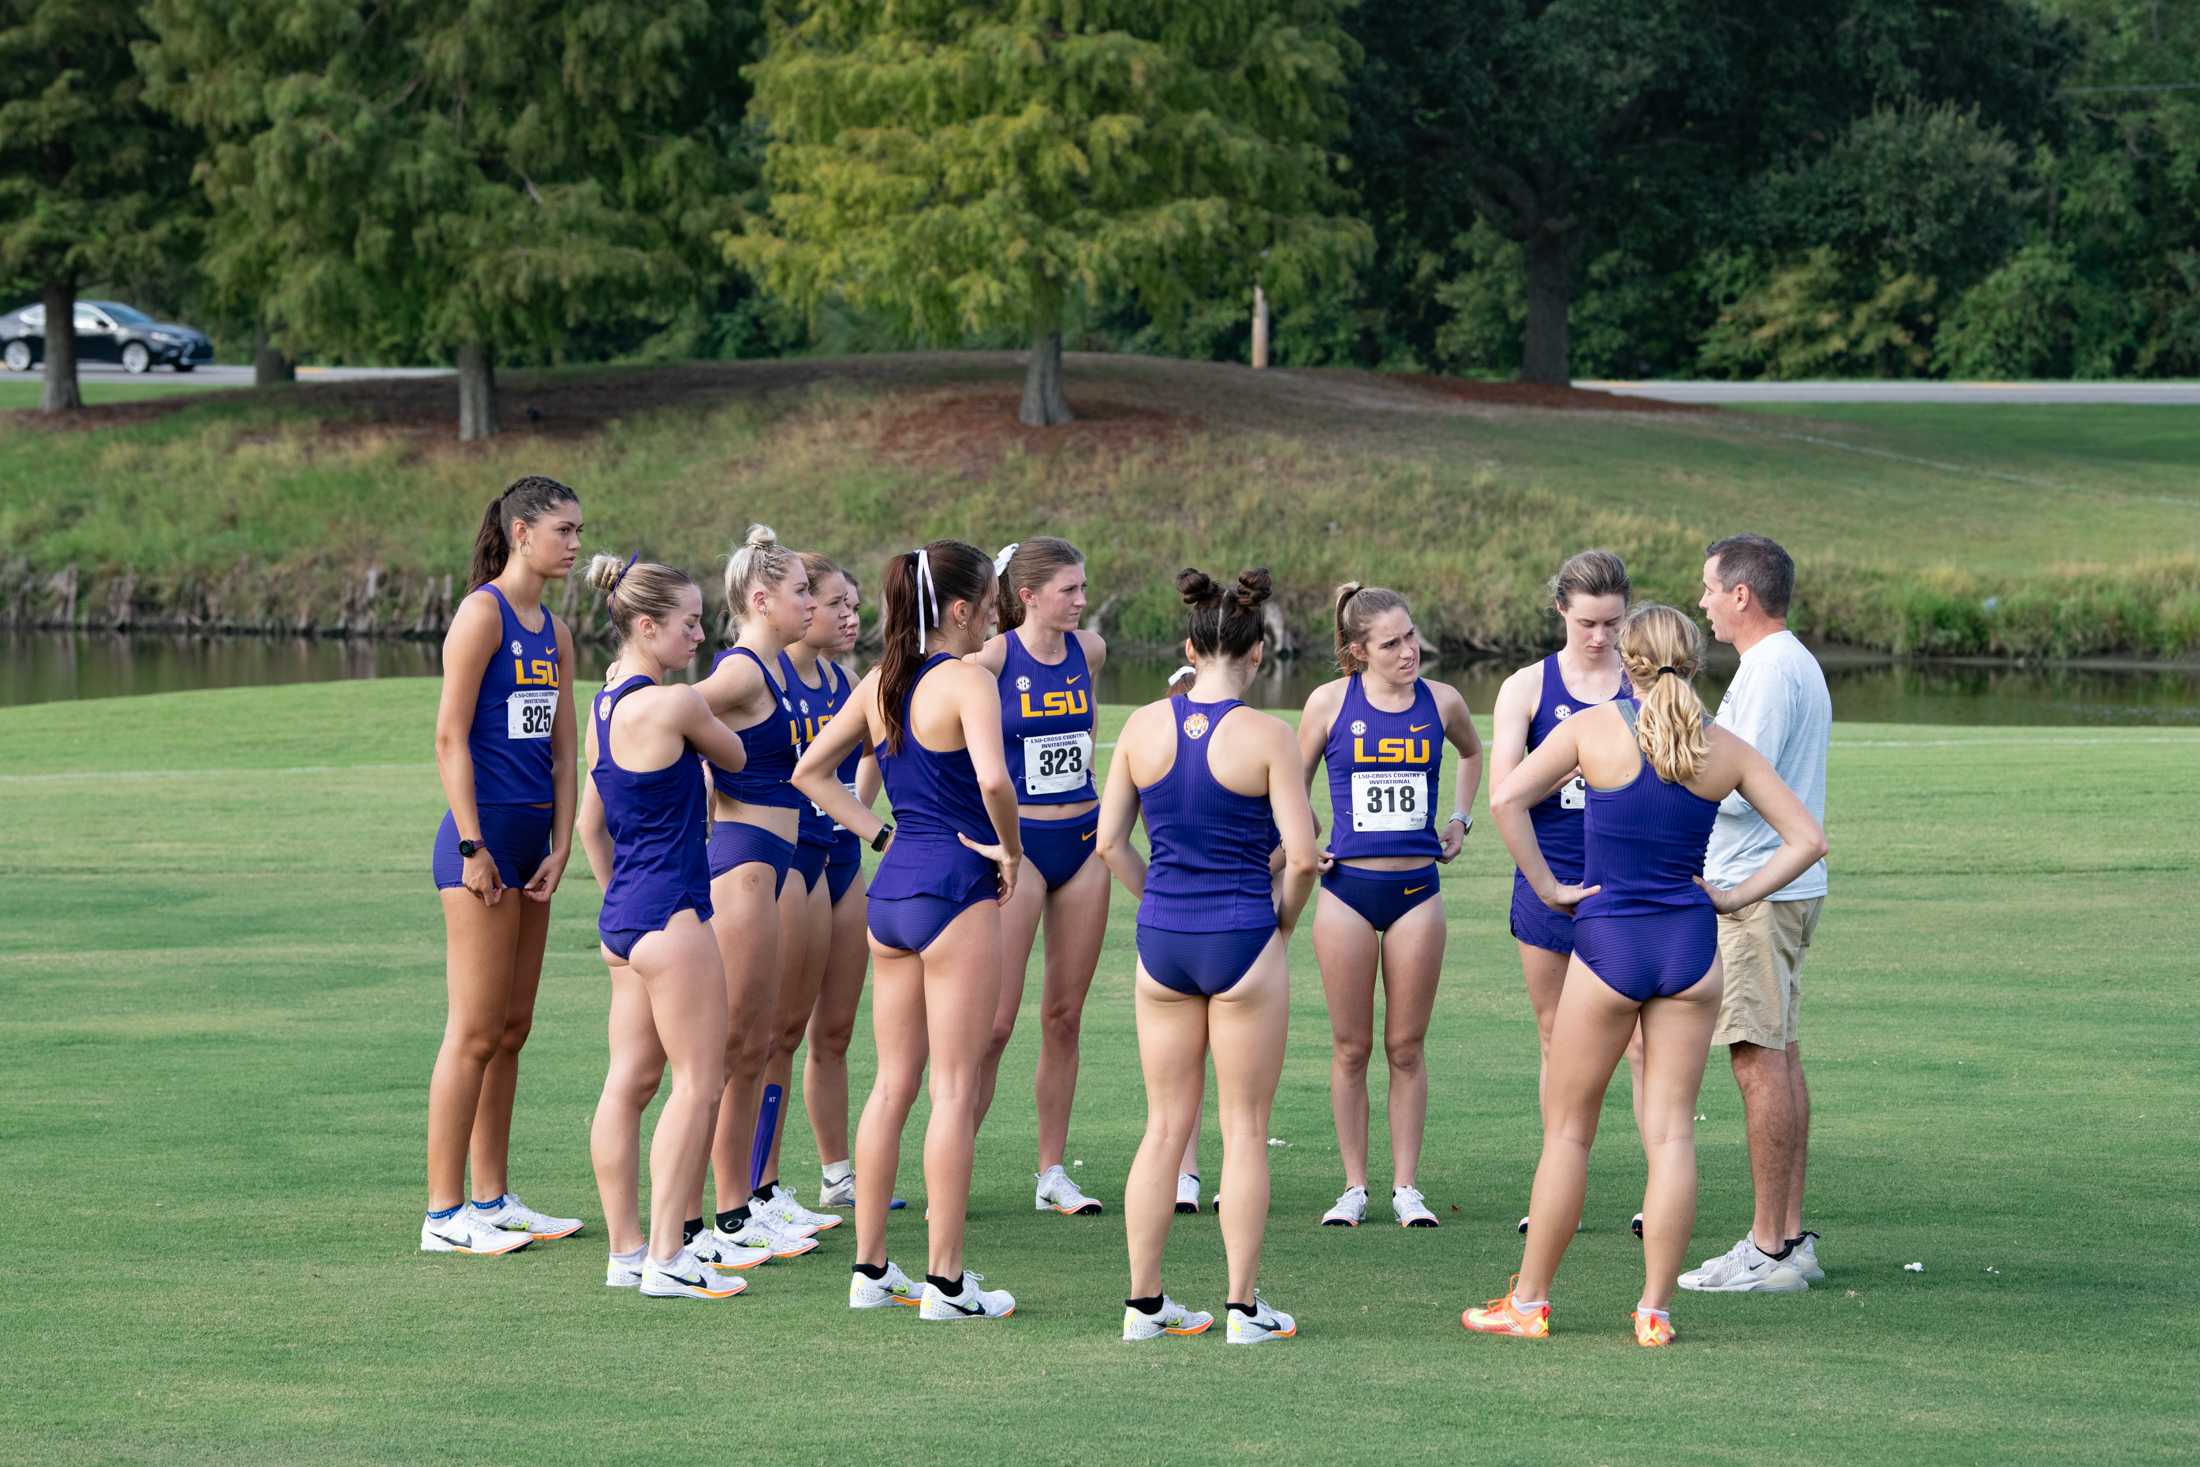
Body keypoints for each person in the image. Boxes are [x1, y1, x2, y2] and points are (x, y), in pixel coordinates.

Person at [1463, 605, 1826, 1346]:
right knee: (1670, 1138)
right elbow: (1808, 839)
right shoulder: (1723, 747)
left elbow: (1505, 797)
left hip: (1607, 948)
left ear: (1626, 661)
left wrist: (1548, 885)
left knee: (1568, 1133)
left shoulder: (1594, 728)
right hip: (1691, 951)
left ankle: (1528, 1302)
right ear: (1692, 662)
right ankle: (1654, 1311)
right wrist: (1731, 895)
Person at [793, 540, 1023, 1320]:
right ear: (959, 608)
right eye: (990, 599)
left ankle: (870, 1269)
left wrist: (880, 835)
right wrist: (1011, 851)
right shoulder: (966, 681)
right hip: (957, 887)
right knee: (953, 1089)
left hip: (891, 893)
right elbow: (993, 779)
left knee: (893, 1084)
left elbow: (809, 773)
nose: (997, 611)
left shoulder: (880, 681)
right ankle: (949, 1284)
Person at [1098, 567, 1320, 1345]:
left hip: (1162, 939)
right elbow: (1301, 857)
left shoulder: (1142, 727)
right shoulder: (1268, 736)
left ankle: (1144, 1305)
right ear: (1258, 653)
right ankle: (1242, 1308)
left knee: (1164, 1127)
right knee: (1245, 1128)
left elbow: (1108, 843)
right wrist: (1280, 929)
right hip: (1240, 935)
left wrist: (1157, 898)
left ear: (1192, 649)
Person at [574, 553, 764, 1299]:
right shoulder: (675, 704)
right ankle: (666, 1255)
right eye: (688, 623)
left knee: (629, 1083)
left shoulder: (602, 708)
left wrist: (623, 894)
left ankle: (627, 1251)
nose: (700, 634)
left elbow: (594, 824)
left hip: (623, 918)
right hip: (673, 915)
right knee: (700, 1082)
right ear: (647, 626)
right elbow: (740, 751)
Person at [421, 476, 585, 1256]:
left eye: (580, 530)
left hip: (533, 849)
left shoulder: (554, 630)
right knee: (475, 1030)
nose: (576, 544)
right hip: (479, 850)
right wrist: (471, 845)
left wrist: (560, 844)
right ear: (521, 532)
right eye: (564, 529)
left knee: (513, 1029)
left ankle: (492, 1195)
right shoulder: (481, 614)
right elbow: (450, 737)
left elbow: (563, 746)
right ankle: (444, 1212)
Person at [1299, 584, 1482, 1229]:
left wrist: (1459, 819)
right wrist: (1305, 838)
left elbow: (1471, 752)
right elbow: (1287, 782)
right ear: (1357, 653)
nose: (1409, 652)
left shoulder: (1443, 701)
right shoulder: (1328, 703)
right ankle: (1354, 1187)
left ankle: (1407, 1187)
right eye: (1391, 643)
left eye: (1411, 637)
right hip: (1347, 891)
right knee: (1351, 1047)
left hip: (1417, 893)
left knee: (1406, 1046)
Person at [1681, 534, 1834, 1294]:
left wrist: (1668, 765)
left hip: (1760, 888)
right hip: (1783, 886)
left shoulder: (1771, 671)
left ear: (1742, 593)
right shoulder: (1781, 663)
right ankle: (1785, 1236)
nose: (1703, 600)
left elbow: (1742, 784)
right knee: (1779, 1052)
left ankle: (1770, 1246)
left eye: (1710, 587)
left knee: (1756, 1057)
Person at [1486, 549, 1646, 1234]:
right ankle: (1554, 1195)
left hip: (1629, 888)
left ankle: (1653, 1192)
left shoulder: (1647, 687)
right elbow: (1504, 793)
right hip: (1549, 885)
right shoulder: (1526, 688)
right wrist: (1547, 885)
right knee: (1557, 1039)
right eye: (1587, 622)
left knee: (1643, 1045)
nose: (1601, 637)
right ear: (1561, 611)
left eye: (1613, 622)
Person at [691, 526, 831, 1267]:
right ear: (760, 598)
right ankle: (708, 1218)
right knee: (733, 1045)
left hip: (778, 861)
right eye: (802, 590)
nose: (810, 601)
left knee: (757, 1043)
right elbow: (668, 716)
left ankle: (740, 1206)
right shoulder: (742, 671)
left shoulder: (774, 671)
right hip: (742, 864)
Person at [967, 539, 1112, 1217]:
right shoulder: (991, 660)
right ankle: (954, 1159)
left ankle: (1052, 1170)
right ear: (1026, 594)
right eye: (1070, 590)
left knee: (1064, 1016)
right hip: (1017, 850)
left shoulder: (1091, 652)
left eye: (1083, 588)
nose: (1082, 601)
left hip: (1083, 844)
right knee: (994, 1022)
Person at [771, 556, 886, 1210]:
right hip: (789, 862)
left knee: (835, 1030)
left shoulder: (849, 682)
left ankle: (837, 1174)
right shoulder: (765, 674)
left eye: (855, 604)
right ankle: (758, 1187)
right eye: (838, 603)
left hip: (843, 860)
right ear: (800, 605)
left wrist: (858, 816)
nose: (851, 616)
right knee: (779, 1031)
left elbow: (867, 758)